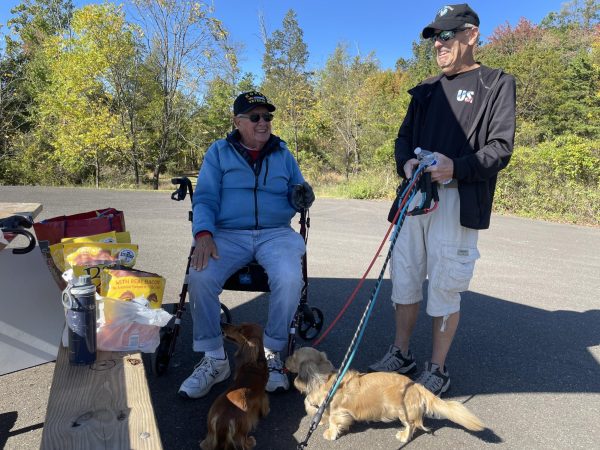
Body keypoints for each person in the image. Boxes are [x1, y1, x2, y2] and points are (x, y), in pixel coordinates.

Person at [369, 4, 515, 396]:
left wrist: (457, 167)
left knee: (446, 285)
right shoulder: (426, 90)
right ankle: (400, 354)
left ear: (471, 35)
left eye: (447, 35)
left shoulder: (496, 84)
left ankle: (437, 368)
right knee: (405, 278)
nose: (439, 44)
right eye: (436, 37)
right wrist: (407, 164)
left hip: (457, 200)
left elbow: (500, 148)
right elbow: (402, 138)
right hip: (414, 196)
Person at [178, 91, 315, 399]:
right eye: (255, 117)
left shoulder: (283, 153)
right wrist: (203, 234)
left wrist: (304, 194)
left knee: (291, 278)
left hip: (275, 232)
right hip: (228, 233)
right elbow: (205, 198)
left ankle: (273, 353)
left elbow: (299, 188)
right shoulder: (219, 152)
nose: (263, 123)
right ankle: (214, 359)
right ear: (238, 122)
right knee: (199, 276)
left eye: (267, 117)